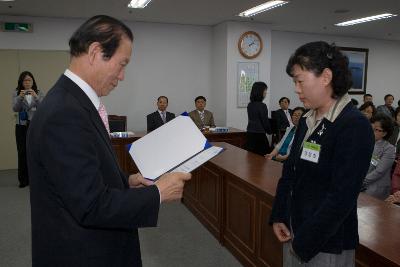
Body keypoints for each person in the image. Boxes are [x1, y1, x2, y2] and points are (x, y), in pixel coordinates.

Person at [26, 15, 191, 266]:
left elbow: (83, 176)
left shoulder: (74, 103)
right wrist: (158, 192)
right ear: (95, 52)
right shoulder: (65, 113)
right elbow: (91, 205)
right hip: (82, 253)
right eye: (122, 64)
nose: (122, 76)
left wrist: (127, 181)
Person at [269, 41, 374, 266]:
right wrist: (279, 214)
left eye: (299, 80)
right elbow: (289, 172)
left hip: (327, 243)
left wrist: (304, 241)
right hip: (295, 229)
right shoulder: (307, 121)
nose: (296, 89)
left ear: (325, 77)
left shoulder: (353, 125)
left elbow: (342, 196)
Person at [12, 71, 44, 188]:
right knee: (22, 152)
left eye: (29, 80)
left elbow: (43, 108)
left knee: (34, 152)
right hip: (21, 126)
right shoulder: (16, 93)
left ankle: (35, 179)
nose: (27, 82)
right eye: (25, 80)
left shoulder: (39, 93)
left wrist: (36, 97)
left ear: (33, 81)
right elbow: (15, 108)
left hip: (34, 125)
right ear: (21, 82)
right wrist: (20, 98)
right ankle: (23, 180)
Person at [362, 114, 395, 200]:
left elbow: (379, 171)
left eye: (376, 130)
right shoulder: (364, 142)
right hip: (359, 183)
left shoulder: (389, 149)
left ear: (384, 133)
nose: (371, 131)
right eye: (371, 128)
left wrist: (360, 181)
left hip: (375, 187)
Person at [245, 81, 272, 156]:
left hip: (250, 133)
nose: (266, 92)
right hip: (259, 135)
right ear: (260, 91)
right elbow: (265, 121)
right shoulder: (262, 105)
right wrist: (270, 131)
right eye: (265, 90)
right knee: (263, 158)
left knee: (251, 157)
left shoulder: (250, 105)